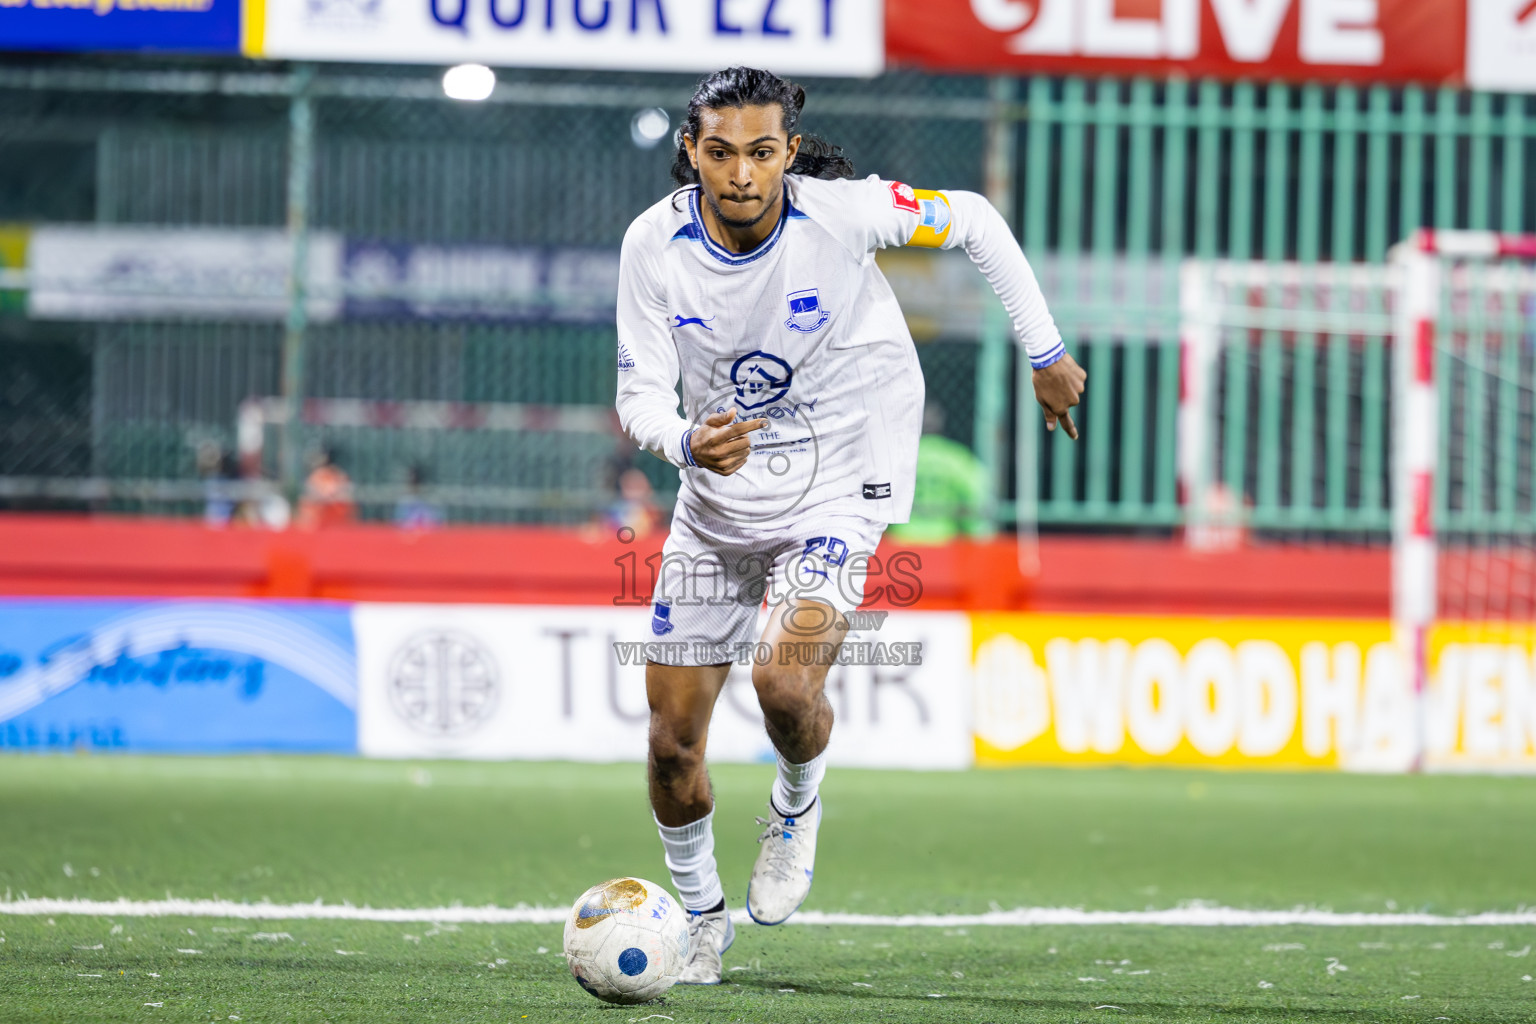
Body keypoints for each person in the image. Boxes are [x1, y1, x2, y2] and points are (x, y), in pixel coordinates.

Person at [615, 66, 1085, 984]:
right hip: (719, 494)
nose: (741, 173)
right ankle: (702, 915)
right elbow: (638, 389)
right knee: (672, 744)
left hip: (844, 474)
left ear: (790, 152)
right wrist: (681, 440)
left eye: (761, 152)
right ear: (691, 154)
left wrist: (1048, 350)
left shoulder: (843, 214)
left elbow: (977, 222)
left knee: (784, 687)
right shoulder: (653, 245)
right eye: (720, 153)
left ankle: (796, 804)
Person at [888, 403, 996, 545]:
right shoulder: (956, 457)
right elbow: (977, 496)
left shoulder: (895, 457)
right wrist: (975, 533)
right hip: (944, 540)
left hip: (901, 539)